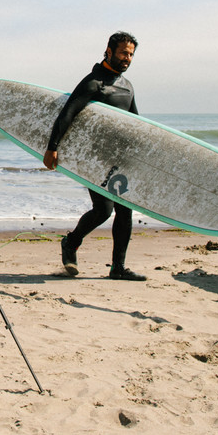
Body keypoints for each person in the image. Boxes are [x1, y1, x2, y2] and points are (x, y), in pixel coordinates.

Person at [43, 32, 147, 281]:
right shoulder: (93, 82)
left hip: (120, 158)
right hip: (95, 159)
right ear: (109, 51)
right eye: (123, 52)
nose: (127, 58)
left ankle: (118, 268)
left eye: (131, 54)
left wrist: (143, 156)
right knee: (103, 210)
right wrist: (52, 147)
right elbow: (68, 113)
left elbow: (135, 123)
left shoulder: (127, 86)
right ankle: (71, 242)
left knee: (125, 210)